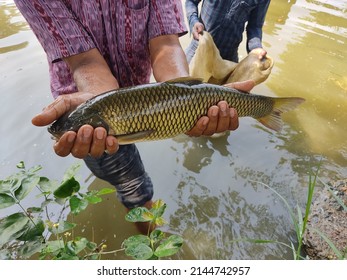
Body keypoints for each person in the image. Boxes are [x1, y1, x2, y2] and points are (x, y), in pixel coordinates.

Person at [14, 0, 253, 227]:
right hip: (81, 101)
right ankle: (149, 236)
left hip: (144, 100)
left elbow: (166, 45)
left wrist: (186, 101)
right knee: (134, 185)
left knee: (134, 180)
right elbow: (84, 60)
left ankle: (150, 239)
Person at [185, 0, 271, 63]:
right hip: (197, 50)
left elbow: (255, 26)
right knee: (182, 86)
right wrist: (194, 22)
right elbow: (191, 2)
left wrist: (256, 48)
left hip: (228, 59)